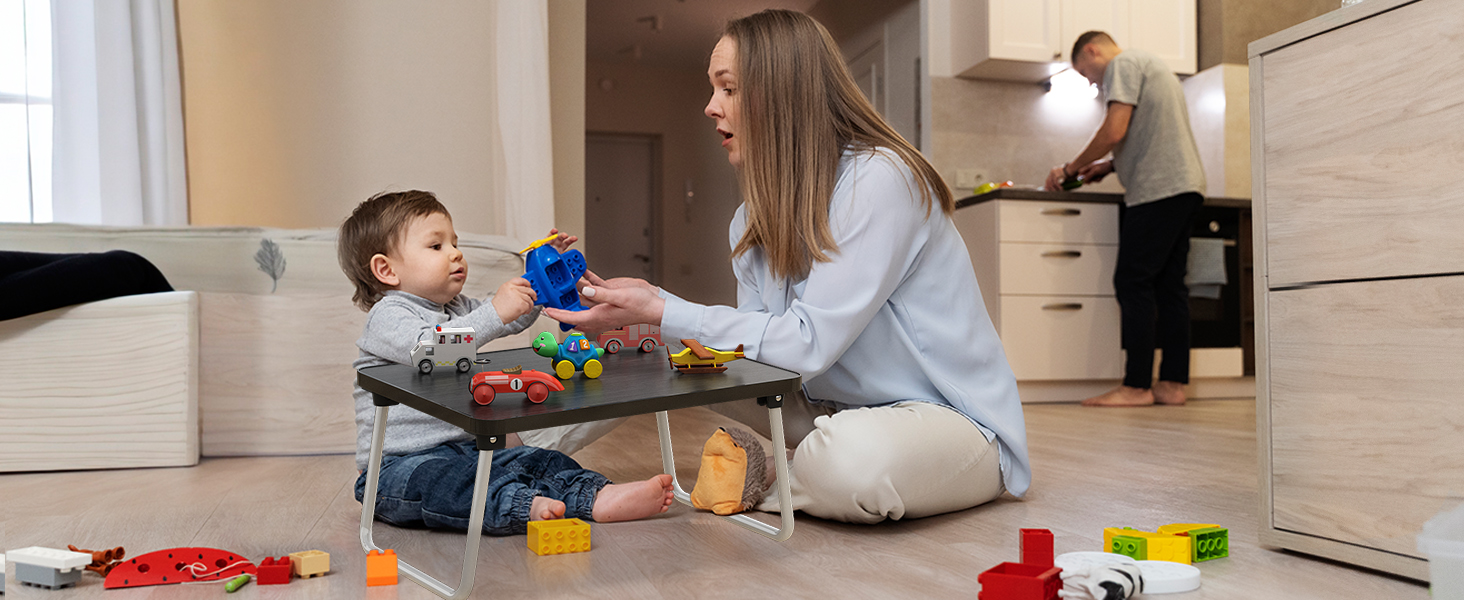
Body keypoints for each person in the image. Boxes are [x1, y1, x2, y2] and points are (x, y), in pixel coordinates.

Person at [545, 10, 1031, 525]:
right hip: (830, 412)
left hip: (949, 425)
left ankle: (777, 472)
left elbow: (807, 346)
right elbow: (758, 360)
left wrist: (666, 308)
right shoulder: (750, 221)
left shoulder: (880, 181)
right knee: (662, 363)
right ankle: (505, 454)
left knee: (852, 463)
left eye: (727, 88)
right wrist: (643, 320)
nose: (710, 107)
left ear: (781, 93)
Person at [337, 190, 673, 535]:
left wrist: (542, 285)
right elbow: (433, 352)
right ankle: (523, 505)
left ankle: (597, 496)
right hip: (398, 467)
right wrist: (494, 311)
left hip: (471, 448)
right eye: (437, 246)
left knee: (541, 462)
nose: (456, 253)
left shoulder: (457, 308)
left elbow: (508, 318)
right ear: (386, 269)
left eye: (455, 243)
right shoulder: (389, 317)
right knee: (448, 485)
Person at [1043, 31, 1207, 408]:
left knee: (1133, 282)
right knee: (1170, 288)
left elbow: (1115, 129)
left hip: (1157, 191)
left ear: (1092, 50)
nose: (1091, 82)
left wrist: (1071, 167)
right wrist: (1110, 165)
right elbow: (1149, 134)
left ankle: (1136, 386)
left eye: (1086, 73)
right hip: (1185, 186)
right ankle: (1171, 385)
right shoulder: (1151, 65)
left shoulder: (1123, 64)